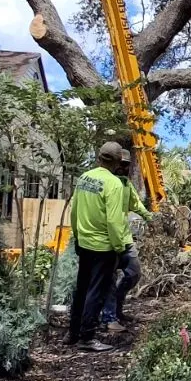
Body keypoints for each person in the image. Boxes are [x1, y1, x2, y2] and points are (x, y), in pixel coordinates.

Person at [68, 141, 130, 352]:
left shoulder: (84, 178)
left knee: (81, 289)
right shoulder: (113, 184)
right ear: (118, 161)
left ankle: (72, 333)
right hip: (103, 248)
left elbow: (74, 211)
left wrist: (77, 237)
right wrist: (119, 247)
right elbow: (113, 221)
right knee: (96, 292)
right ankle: (87, 337)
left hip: (84, 243)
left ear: (100, 157)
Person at [100, 149, 153, 332]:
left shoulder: (125, 184)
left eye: (126, 164)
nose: (122, 167)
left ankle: (117, 308)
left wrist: (149, 217)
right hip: (107, 239)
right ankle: (109, 317)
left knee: (134, 273)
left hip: (124, 238)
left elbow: (136, 204)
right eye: (120, 163)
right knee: (109, 279)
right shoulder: (106, 182)